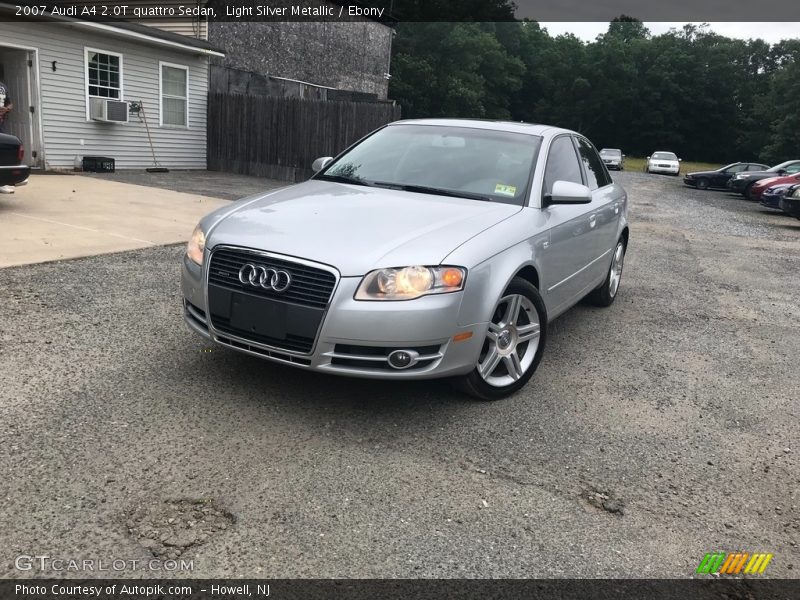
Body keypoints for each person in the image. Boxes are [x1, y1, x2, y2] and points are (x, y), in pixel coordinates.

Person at [0, 75, 17, 193]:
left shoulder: (3, 87)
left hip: (1, 123)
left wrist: (6, 109)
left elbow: (10, 103)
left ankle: (2, 183)